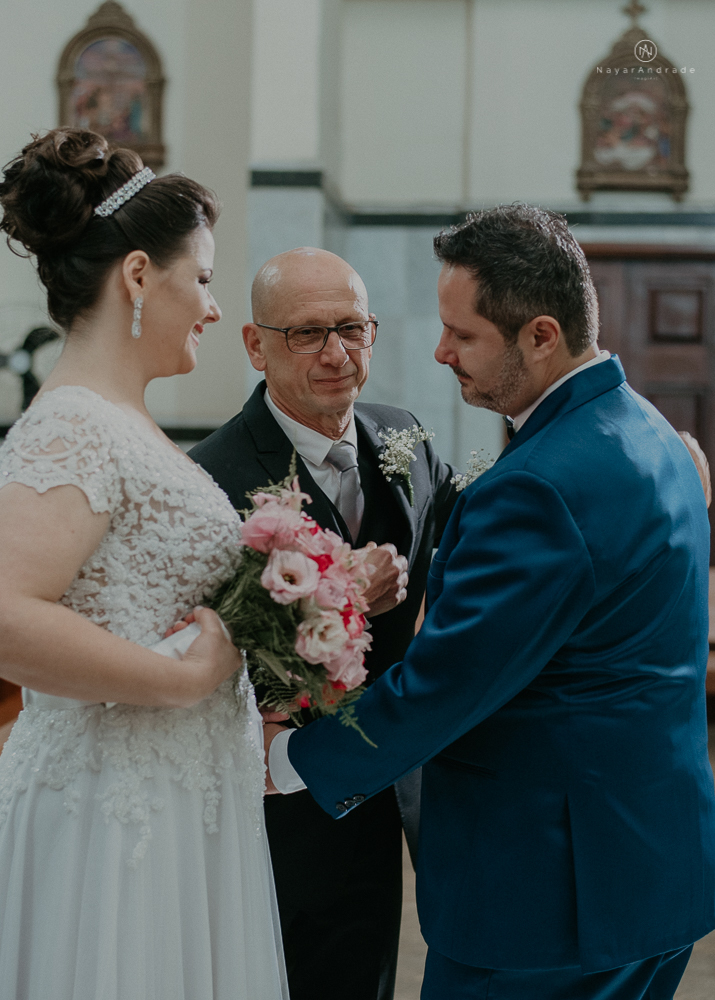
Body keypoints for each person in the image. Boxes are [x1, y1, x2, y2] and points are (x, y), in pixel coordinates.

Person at [266, 206, 715, 1000]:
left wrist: (292, 760)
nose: (439, 352)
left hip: (550, 895)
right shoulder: (654, 434)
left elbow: (448, 683)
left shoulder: (536, 485)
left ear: (540, 335)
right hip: (655, 865)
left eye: (462, 335)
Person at [0, 128, 289, 999]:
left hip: (176, 801)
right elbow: (7, 613)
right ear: (135, 276)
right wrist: (181, 678)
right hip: (114, 816)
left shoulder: (126, 422)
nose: (210, 305)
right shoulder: (74, 424)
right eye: (199, 278)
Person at [189, 247, 459, 1000]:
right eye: (308, 333)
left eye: (352, 328)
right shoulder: (210, 477)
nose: (336, 354)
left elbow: (472, 539)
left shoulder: (403, 435)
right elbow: (205, 658)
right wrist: (337, 597)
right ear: (255, 344)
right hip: (276, 804)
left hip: (386, 790)